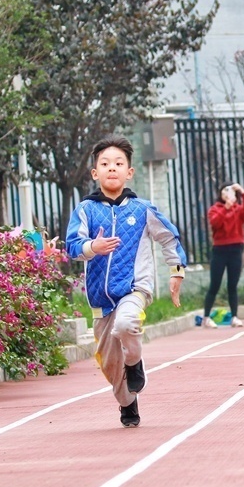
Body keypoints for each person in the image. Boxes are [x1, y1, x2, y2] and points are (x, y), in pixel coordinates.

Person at [65, 135, 186, 427]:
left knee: (126, 323)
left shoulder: (142, 209)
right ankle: (127, 403)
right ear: (95, 173)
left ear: (129, 172)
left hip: (135, 288)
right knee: (108, 363)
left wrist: (176, 272)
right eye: (105, 164)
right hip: (100, 299)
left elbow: (169, 238)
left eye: (119, 163)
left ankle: (134, 361)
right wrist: (94, 247)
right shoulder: (85, 210)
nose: (112, 168)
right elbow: (72, 247)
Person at [203, 182, 244, 328]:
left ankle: (235, 316)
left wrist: (242, 192)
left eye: (230, 191)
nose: (227, 193)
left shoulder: (239, 210)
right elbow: (215, 223)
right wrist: (226, 208)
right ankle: (206, 317)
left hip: (235, 249)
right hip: (219, 250)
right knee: (215, 284)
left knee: (233, 285)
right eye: (224, 191)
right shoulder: (215, 209)